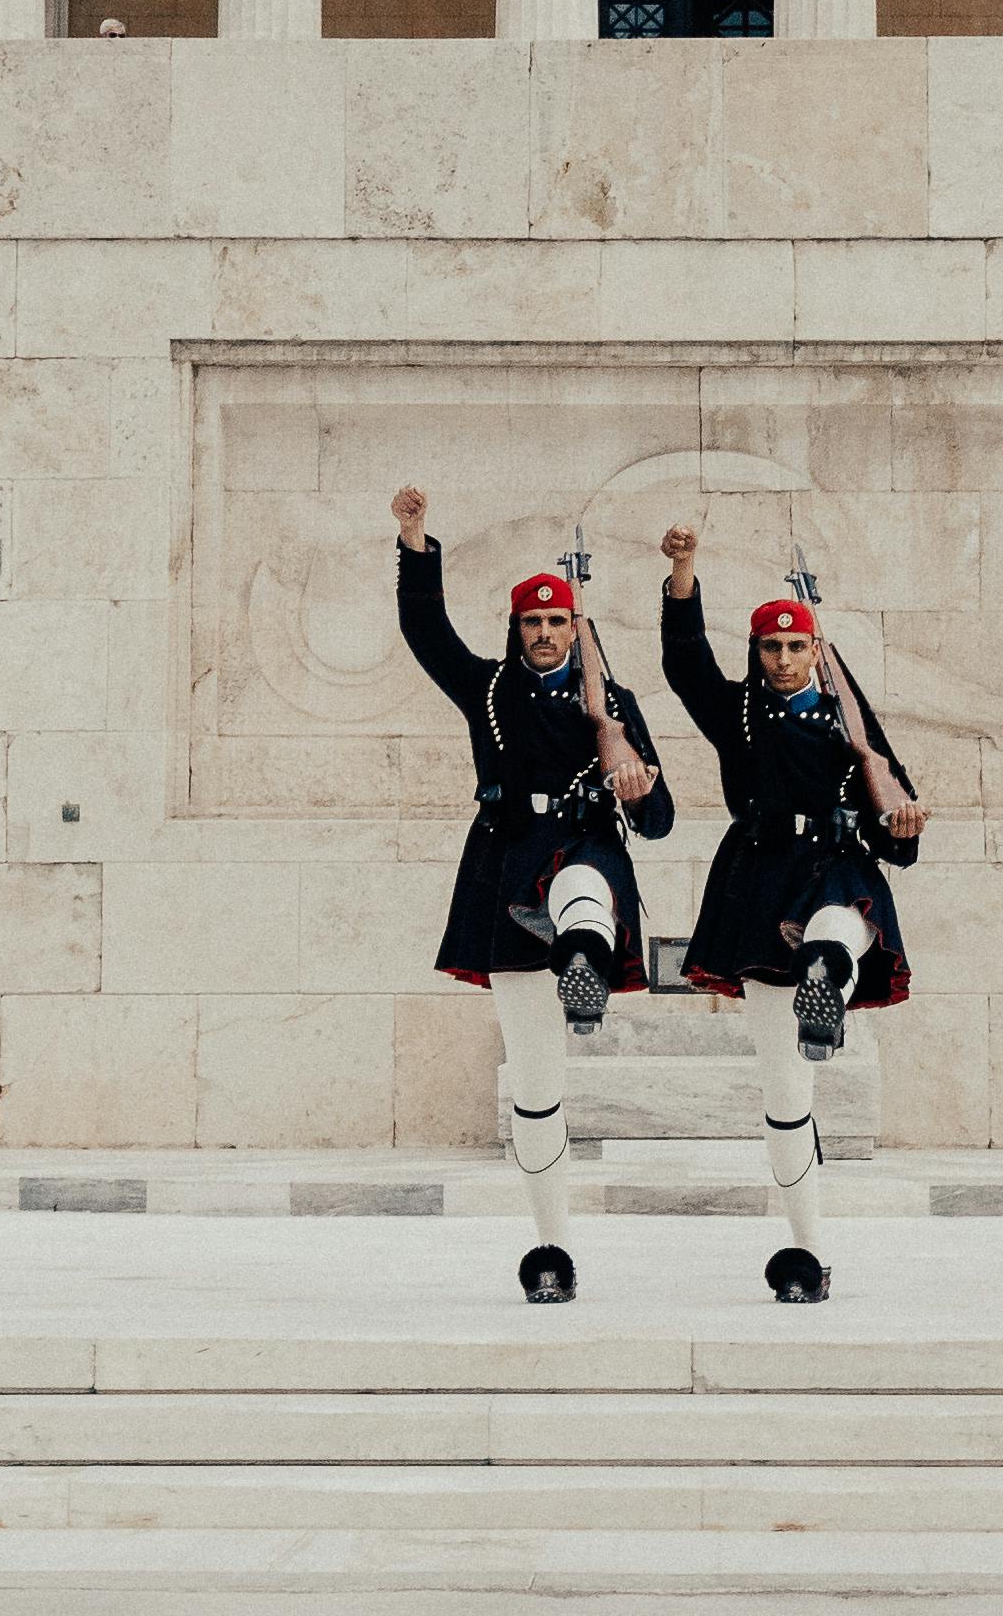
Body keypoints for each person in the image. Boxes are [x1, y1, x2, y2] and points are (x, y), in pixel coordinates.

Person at [390, 487, 676, 1305]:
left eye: (556, 623)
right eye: (530, 623)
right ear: (515, 631)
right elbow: (425, 633)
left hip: (586, 851)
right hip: (507, 872)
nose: (544, 634)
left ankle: (582, 956)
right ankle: (552, 1244)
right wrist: (415, 543)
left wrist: (638, 784)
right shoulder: (487, 692)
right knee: (536, 1085)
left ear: (575, 631)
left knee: (583, 892)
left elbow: (657, 824)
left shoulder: (613, 707)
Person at [654, 523, 924, 1307]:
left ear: (814, 651)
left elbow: (894, 834)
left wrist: (903, 826)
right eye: (769, 649)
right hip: (761, 880)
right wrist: (684, 572)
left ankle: (824, 978)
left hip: (835, 866)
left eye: (794, 648)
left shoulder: (855, 727)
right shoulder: (738, 715)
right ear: (758, 654)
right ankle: (808, 1250)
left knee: (841, 923)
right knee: (785, 1094)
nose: (780, 661)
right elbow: (682, 665)